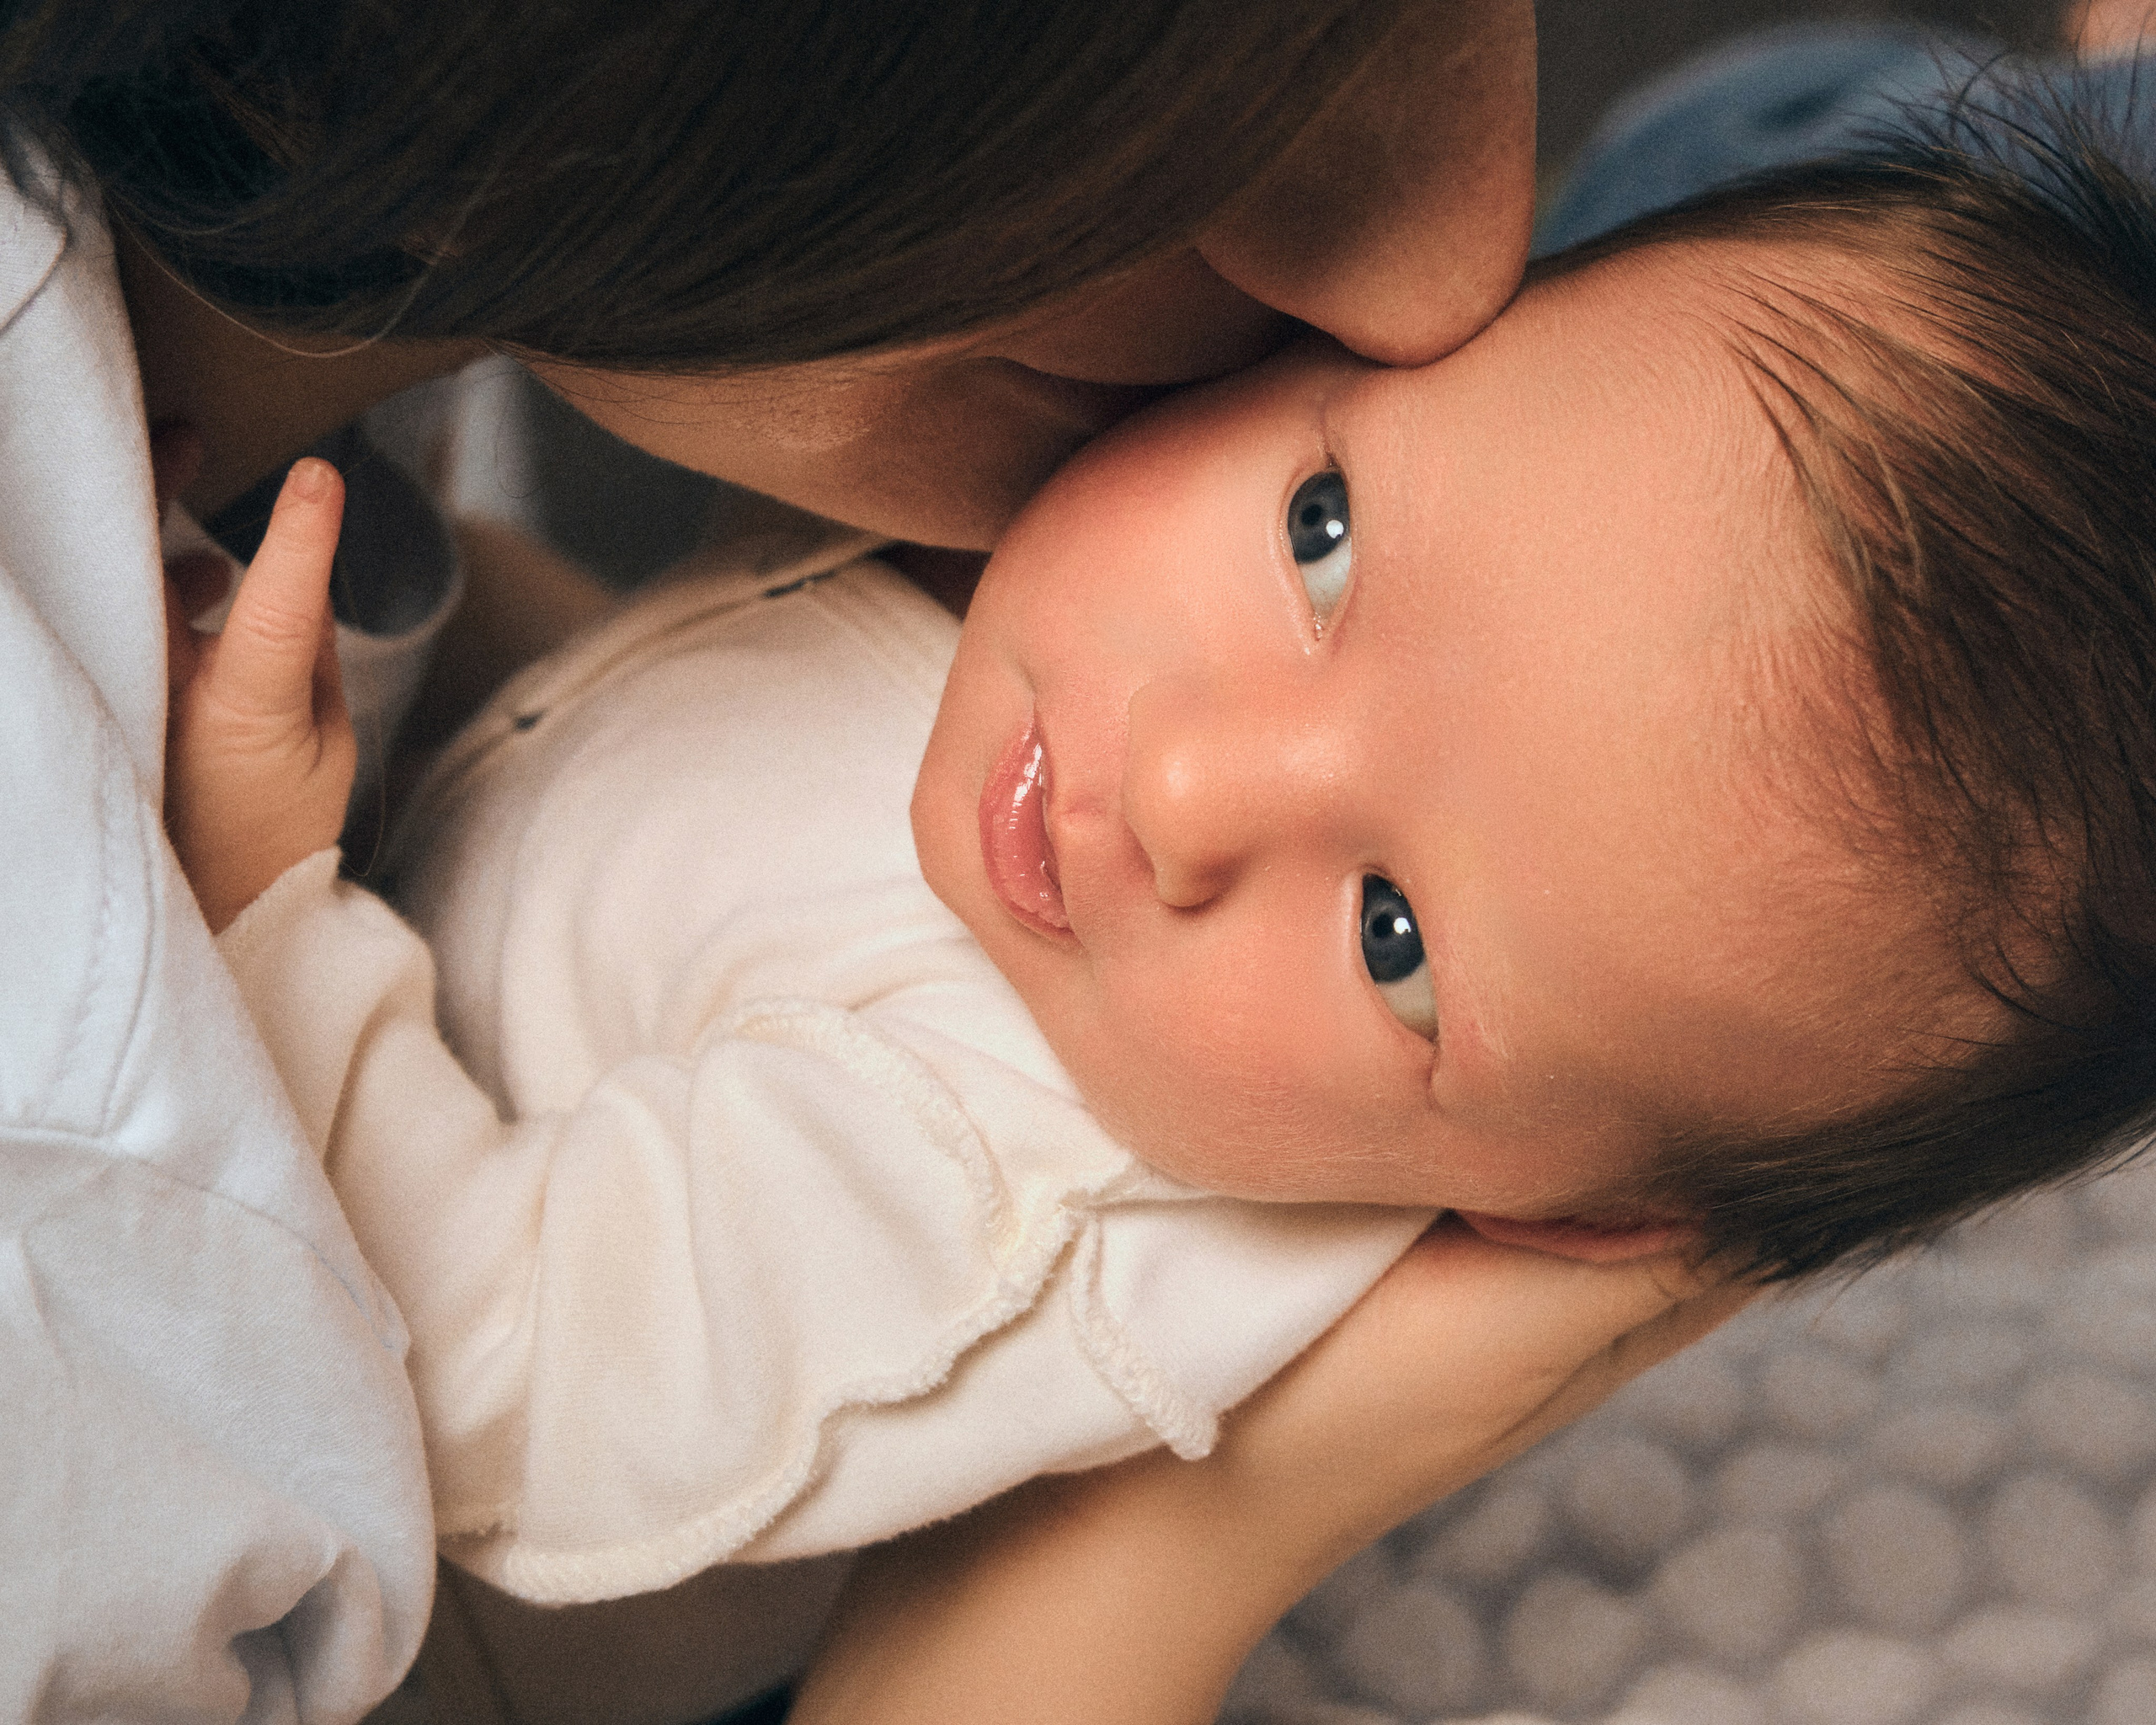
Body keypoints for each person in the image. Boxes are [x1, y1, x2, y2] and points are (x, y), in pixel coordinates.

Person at [167, 53, 2156, 1707]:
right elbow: (674, 768)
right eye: (1321, 538)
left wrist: (269, 913)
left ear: (1555, 1219)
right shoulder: (1057, 618)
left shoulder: (1015, 1177)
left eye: (1390, 940)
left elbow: (487, 1391)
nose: (1195, 787)